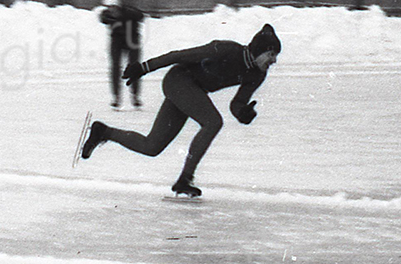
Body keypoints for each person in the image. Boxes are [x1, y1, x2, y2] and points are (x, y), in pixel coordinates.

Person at [79, 24, 281, 197]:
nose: (273, 61)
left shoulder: (257, 75)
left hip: (193, 90)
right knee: (213, 122)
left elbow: (236, 105)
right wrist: (143, 68)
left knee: (152, 146)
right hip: (178, 80)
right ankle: (185, 179)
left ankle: (104, 132)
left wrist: (243, 113)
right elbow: (179, 56)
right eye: (271, 55)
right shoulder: (227, 50)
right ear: (259, 50)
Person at [99, 0, 145, 109]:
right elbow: (102, 17)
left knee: (134, 67)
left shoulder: (129, 12)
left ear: (118, 6)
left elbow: (141, 16)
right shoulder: (108, 15)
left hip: (132, 39)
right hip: (117, 41)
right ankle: (116, 97)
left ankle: (135, 96)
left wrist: (130, 15)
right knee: (115, 67)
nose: (111, 11)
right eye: (109, 8)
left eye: (113, 8)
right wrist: (106, 16)